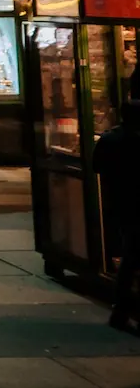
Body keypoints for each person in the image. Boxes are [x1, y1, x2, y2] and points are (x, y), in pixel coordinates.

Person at [95, 102, 140, 331]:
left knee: (130, 258)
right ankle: (123, 311)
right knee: (133, 258)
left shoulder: (110, 139)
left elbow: (98, 167)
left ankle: (121, 311)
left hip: (120, 203)